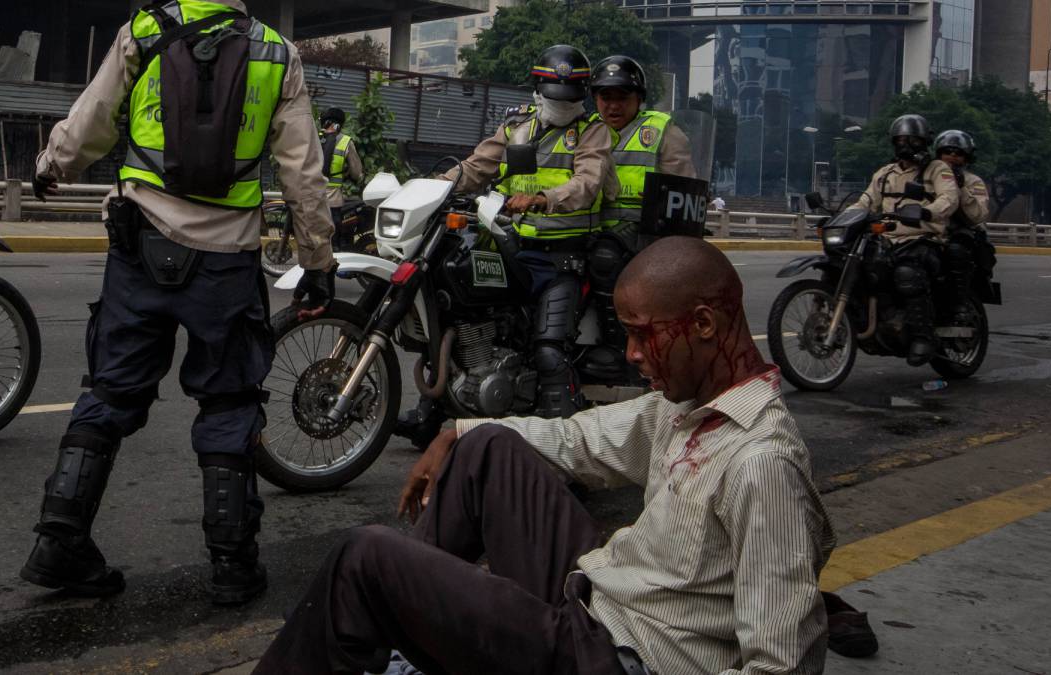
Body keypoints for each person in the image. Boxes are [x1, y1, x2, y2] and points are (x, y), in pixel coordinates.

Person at [253, 237, 835, 675]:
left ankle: (382, 618)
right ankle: (405, 629)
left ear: (704, 324)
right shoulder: (684, 408)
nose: (630, 354)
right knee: (490, 450)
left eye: (641, 334)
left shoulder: (761, 464)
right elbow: (579, 440)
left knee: (367, 557)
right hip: (598, 602)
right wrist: (457, 428)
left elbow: (782, 664)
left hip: (620, 659)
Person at [19, 0, 336, 605]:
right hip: (226, 262)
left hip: (141, 248)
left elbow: (93, 121)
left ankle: (58, 544)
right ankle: (232, 565)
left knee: (110, 393)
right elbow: (302, 172)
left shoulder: (143, 31)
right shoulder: (277, 51)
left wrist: (51, 164)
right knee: (228, 402)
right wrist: (317, 261)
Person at [439, 44, 618, 418]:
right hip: (511, 248)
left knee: (549, 350)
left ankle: (564, 435)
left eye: (571, 98)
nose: (563, 104)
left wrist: (542, 198)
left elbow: (586, 183)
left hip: (562, 260)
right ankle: (436, 411)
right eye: (555, 96)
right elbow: (475, 168)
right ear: (538, 89)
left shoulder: (592, 132)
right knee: (459, 319)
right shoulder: (517, 126)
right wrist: (433, 187)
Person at [585, 55, 695, 367]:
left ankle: (619, 348)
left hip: (644, 235)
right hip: (587, 226)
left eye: (622, 98)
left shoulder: (661, 131)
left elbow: (684, 192)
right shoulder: (585, 129)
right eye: (606, 98)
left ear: (639, 99)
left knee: (605, 257)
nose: (613, 106)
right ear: (595, 99)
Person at [850, 114, 959, 366]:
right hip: (888, 239)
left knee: (907, 274)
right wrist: (844, 218)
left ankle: (923, 336)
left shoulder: (937, 169)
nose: (905, 145)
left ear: (924, 142)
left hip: (924, 239)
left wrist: (928, 211)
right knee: (854, 264)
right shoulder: (885, 173)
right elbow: (865, 201)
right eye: (900, 139)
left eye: (912, 140)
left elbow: (949, 198)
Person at [934, 129, 993, 321]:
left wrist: (961, 188)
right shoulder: (928, 176)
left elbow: (978, 215)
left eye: (958, 153)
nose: (952, 156)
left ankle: (959, 304)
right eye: (947, 151)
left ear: (966, 158)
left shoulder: (973, 181)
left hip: (961, 233)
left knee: (956, 250)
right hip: (929, 231)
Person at [318, 107, 364, 248]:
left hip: (311, 194)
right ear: (339, 125)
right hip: (332, 199)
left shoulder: (314, 137)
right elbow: (357, 172)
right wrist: (356, 176)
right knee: (335, 234)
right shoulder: (345, 142)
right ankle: (336, 251)